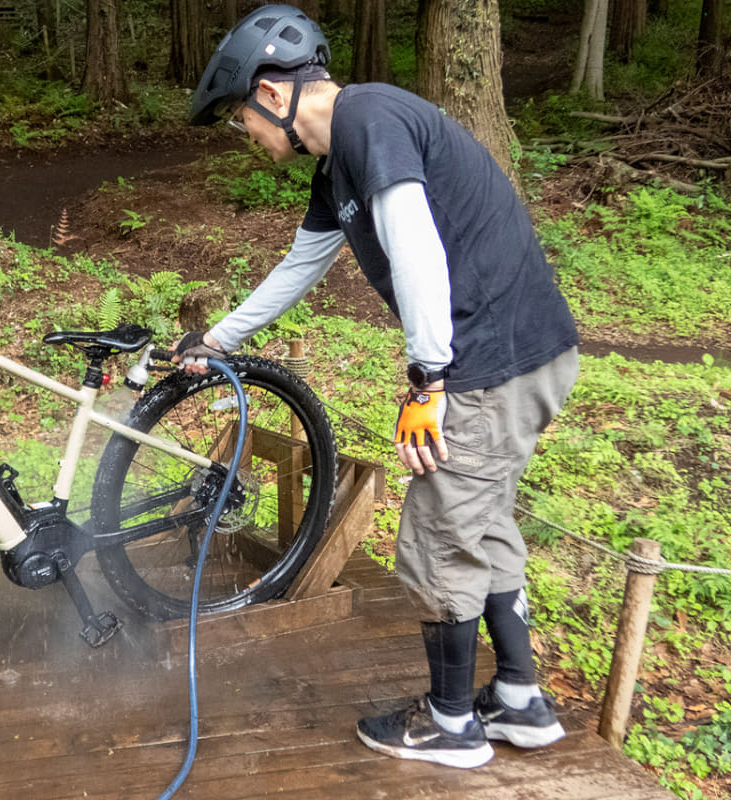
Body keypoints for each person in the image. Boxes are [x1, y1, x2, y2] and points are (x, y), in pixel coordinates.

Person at [177, 4, 580, 770]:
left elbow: (416, 244)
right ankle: (520, 700)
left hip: (488, 362)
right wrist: (218, 339)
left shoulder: (367, 119)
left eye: (239, 121)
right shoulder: (342, 159)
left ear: (270, 94)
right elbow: (301, 266)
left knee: (438, 535)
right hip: (526, 353)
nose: (249, 140)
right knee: (482, 523)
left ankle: (451, 722)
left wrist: (428, 377)